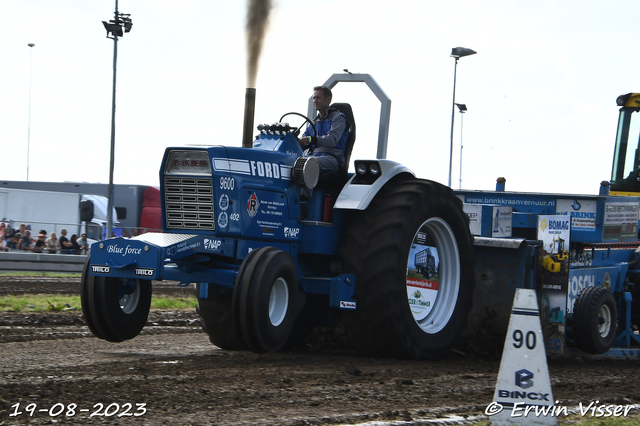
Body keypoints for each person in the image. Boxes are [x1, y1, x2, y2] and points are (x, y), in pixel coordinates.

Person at [298, 86, 349, 179]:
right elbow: (303, 141)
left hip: (332, 157)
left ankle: (303, 194)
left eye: (318, 98)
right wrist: (296, 141)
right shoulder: (313, 123)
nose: (315, 101)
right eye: (314, 98)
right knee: (291, 162)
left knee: (306, 165)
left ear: (328, 100)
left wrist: (310, 139)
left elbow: (331, 140)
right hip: (314, 156)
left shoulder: (338, 118)